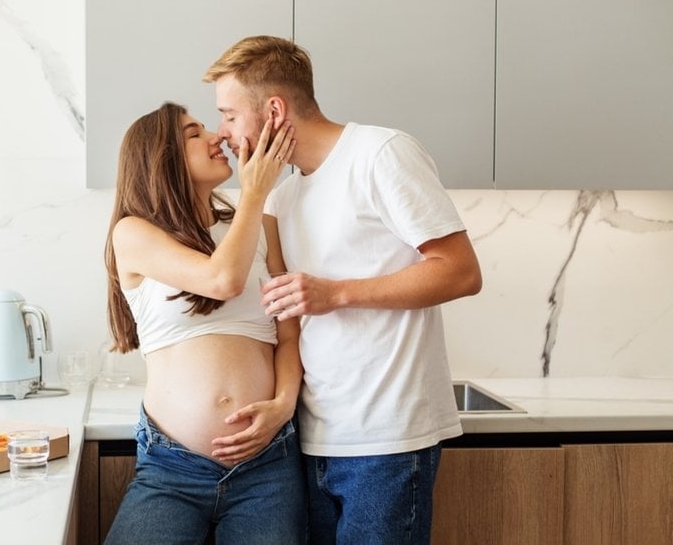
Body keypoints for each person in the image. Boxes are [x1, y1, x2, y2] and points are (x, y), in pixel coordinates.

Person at [204, 36, 483, 544]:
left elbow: (460, 271)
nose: (222, 133)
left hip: (388, 436)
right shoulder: (281, 197)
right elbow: (283, 315)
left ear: (273, 109)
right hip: (313, 438)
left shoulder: (380, 153)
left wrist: (337, 294)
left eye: (228, 115)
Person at [103, 102, 305, 545]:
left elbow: (288, 334)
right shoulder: (133, 233)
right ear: (162, 158)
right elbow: (223, 279)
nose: (216, 136)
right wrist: (254, 191)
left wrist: (283, 406)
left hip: (267, 464)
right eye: (194, 133)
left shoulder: (255, 226)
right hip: (171, 468)